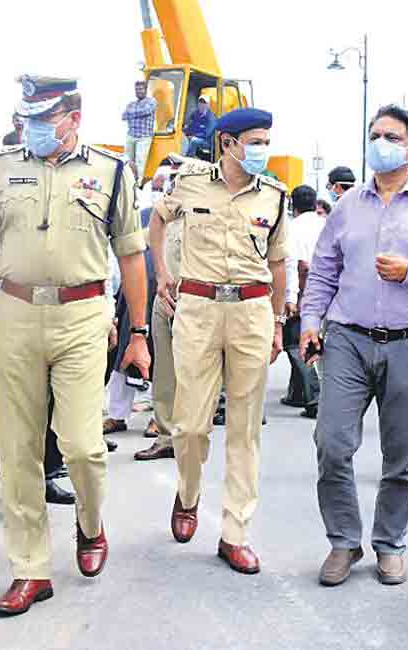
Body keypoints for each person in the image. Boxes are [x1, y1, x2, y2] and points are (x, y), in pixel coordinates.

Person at [0, 74, 150, 616]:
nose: (33, 128)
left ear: (74, 119)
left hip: (82, 316)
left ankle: (91, 524)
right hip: (15, 314)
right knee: (18, 448)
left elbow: (130, 254)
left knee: (82, 446)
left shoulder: (111, 172)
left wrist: (139, 333)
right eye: (27, 118)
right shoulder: (1, 168)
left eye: (44, 119)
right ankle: (29, 569)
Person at [300, 105, 408, 587]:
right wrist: (310, 321)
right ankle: (343, 540)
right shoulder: (347, 205)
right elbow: (323, 271)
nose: (379, 143)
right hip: (348, 341)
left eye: (390, 136)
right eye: (374, 134)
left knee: (401, 455)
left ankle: (389, 543)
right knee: (332, 444)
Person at [149, 107, 286, 575]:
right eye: (255, 141)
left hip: (251, 311)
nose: (262, 150)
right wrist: (164, 275)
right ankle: (188, 493)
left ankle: (235, 532)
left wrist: (279, 320)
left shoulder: (275, 196)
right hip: (198, 309)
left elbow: (280, 263)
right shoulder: (189, 182)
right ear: (228, 143)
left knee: (245, 428)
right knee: (189, 425)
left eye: (266, 140)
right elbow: (156, 223)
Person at [135, 164, 185, 461]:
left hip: (197, 305)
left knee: (194, 375)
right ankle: (166, 437)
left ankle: (190, 436)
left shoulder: (207, 218)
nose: (175, 188)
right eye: (174, 182)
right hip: (164, 302)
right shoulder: (159, 221)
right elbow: (132, 243)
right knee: (164, 374)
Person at [281, 185, 324, 418]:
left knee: (294, 343)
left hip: (302, 289)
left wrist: (290, 297)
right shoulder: (324, 224)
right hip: (325, 290)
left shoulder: (292, 228)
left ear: (293, 205)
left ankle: (314, 397)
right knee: (309, 335)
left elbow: (292, 264)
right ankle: (296, 393)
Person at [122, 79, 157, 178]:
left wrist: (132, 113)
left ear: (145, 90)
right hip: (131, 135)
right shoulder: (131, 103)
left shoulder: (152, 101)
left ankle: (138, 185)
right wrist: (137, 113)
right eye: (137, 89)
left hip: (144, 137)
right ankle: (127, 182)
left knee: (140, 162)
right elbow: (123, 116)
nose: (138, 91)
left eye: (141, 89)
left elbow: (146, 111)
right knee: (127, 161)